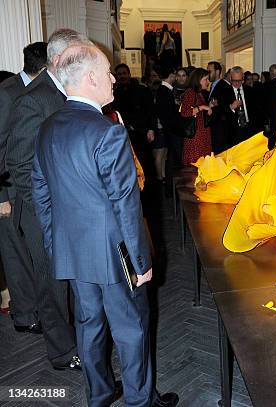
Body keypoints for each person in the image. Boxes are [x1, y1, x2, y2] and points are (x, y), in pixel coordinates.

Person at [32, 43, 178, 407]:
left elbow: (41, 196)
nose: (114, 78)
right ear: (91, 78)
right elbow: (126, 205)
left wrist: (56, 247)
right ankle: (139, 402)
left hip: (74, 252)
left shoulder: (47, 127)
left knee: (89, 327)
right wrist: (141, 264)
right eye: (109, 71)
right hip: (116, 255)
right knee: (131, 330)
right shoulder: (107, 132)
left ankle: (98, 397)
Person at [7, 28, 86, 370]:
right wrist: (49, 208)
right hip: (43, 212)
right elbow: (19, 164)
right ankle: (62, 352)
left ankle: (81, 341)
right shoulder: (33, 98)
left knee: (71, 280)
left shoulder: (71, 89)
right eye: (76, 56)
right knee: (52, 283)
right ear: (57, 60)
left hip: (70, 207)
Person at [0, 41, 47, 327]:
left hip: (29, 186)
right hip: (9, 190)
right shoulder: (7, 93)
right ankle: (25, 316)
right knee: (15, 255)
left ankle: (35, 310)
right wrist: (1, 196)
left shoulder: (38, 90)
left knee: (31, 255)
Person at [180, 68, 213, 164]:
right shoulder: (190, 92)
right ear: (198, 80)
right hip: (195, 137)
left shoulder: (199, 93)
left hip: (201, 135)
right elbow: (185, 112)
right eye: (205, 79)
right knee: (195, 165)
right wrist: (202, 107)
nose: (208, 82)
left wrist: (208, 107)